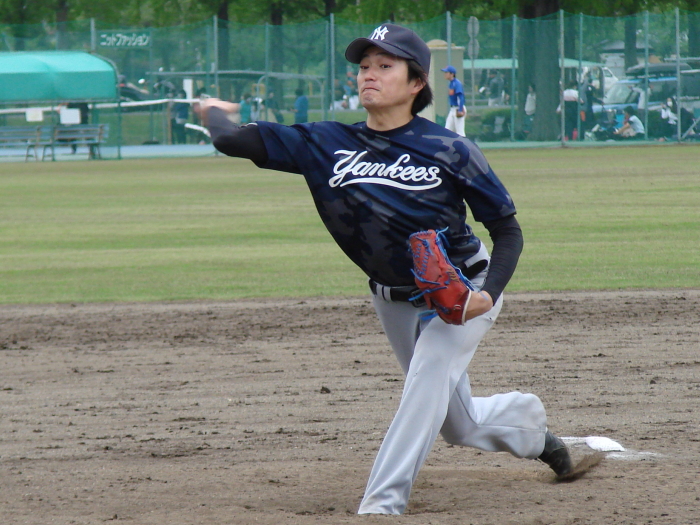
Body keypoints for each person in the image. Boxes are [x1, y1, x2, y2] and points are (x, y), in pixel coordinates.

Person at [196, 23, 573, 515]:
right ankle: (533, 431)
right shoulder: (324, 142)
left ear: (416, 82)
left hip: (461, 290)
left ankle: (382, 505)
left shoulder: (450, 149)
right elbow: (232, 140)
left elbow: (508, 230)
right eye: (364, 66)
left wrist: (487, 293)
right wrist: (212, 111)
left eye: (384, 65)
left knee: (425, 382)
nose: (368, 74)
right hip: (391, 297)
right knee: (458, 425)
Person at [441, 65, 466, 137]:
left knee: (460, 132)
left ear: (452, 74)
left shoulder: (457, 83)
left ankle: (464, 144)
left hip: (458, 108)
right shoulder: (451, 83)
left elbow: (461, 97)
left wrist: (460, 110)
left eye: (446, 72)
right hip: (452, 109)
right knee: (447, 131)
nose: (445, 74)